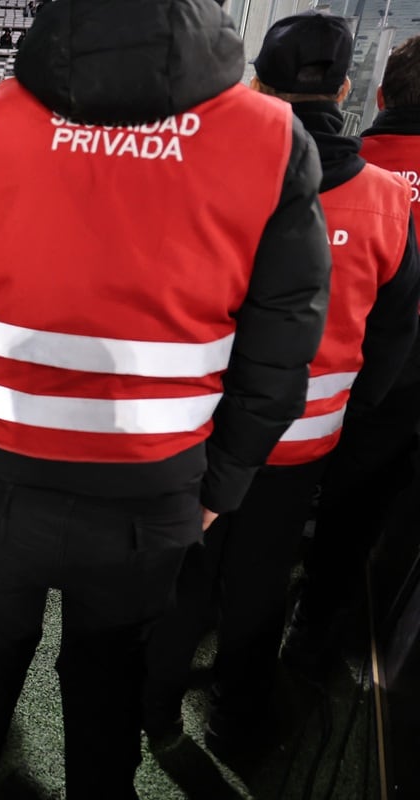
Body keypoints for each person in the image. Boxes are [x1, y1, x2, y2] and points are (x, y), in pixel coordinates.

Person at [0, 0, 332, 797]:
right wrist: (223, 484)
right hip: (153, 492)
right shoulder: (272, 140)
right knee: (107, 693)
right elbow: (283, 344)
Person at [143, 10, 420, 757]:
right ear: (348, 87)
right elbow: (395, 338)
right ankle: (237, 723)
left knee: (185, 575)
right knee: (261, 588)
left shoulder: (204, 180)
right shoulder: (393, 201)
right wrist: (349, 425)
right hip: (305, 442)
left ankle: (156, 712)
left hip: (202, 430)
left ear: (257, 82)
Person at [283, 33, 420, 675]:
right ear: (348, 90)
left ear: (379, 93)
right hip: (376, 395)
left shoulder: (348, 170)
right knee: (353, 517)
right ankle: (313, 635)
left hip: (292, 396)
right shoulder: (378, 190)